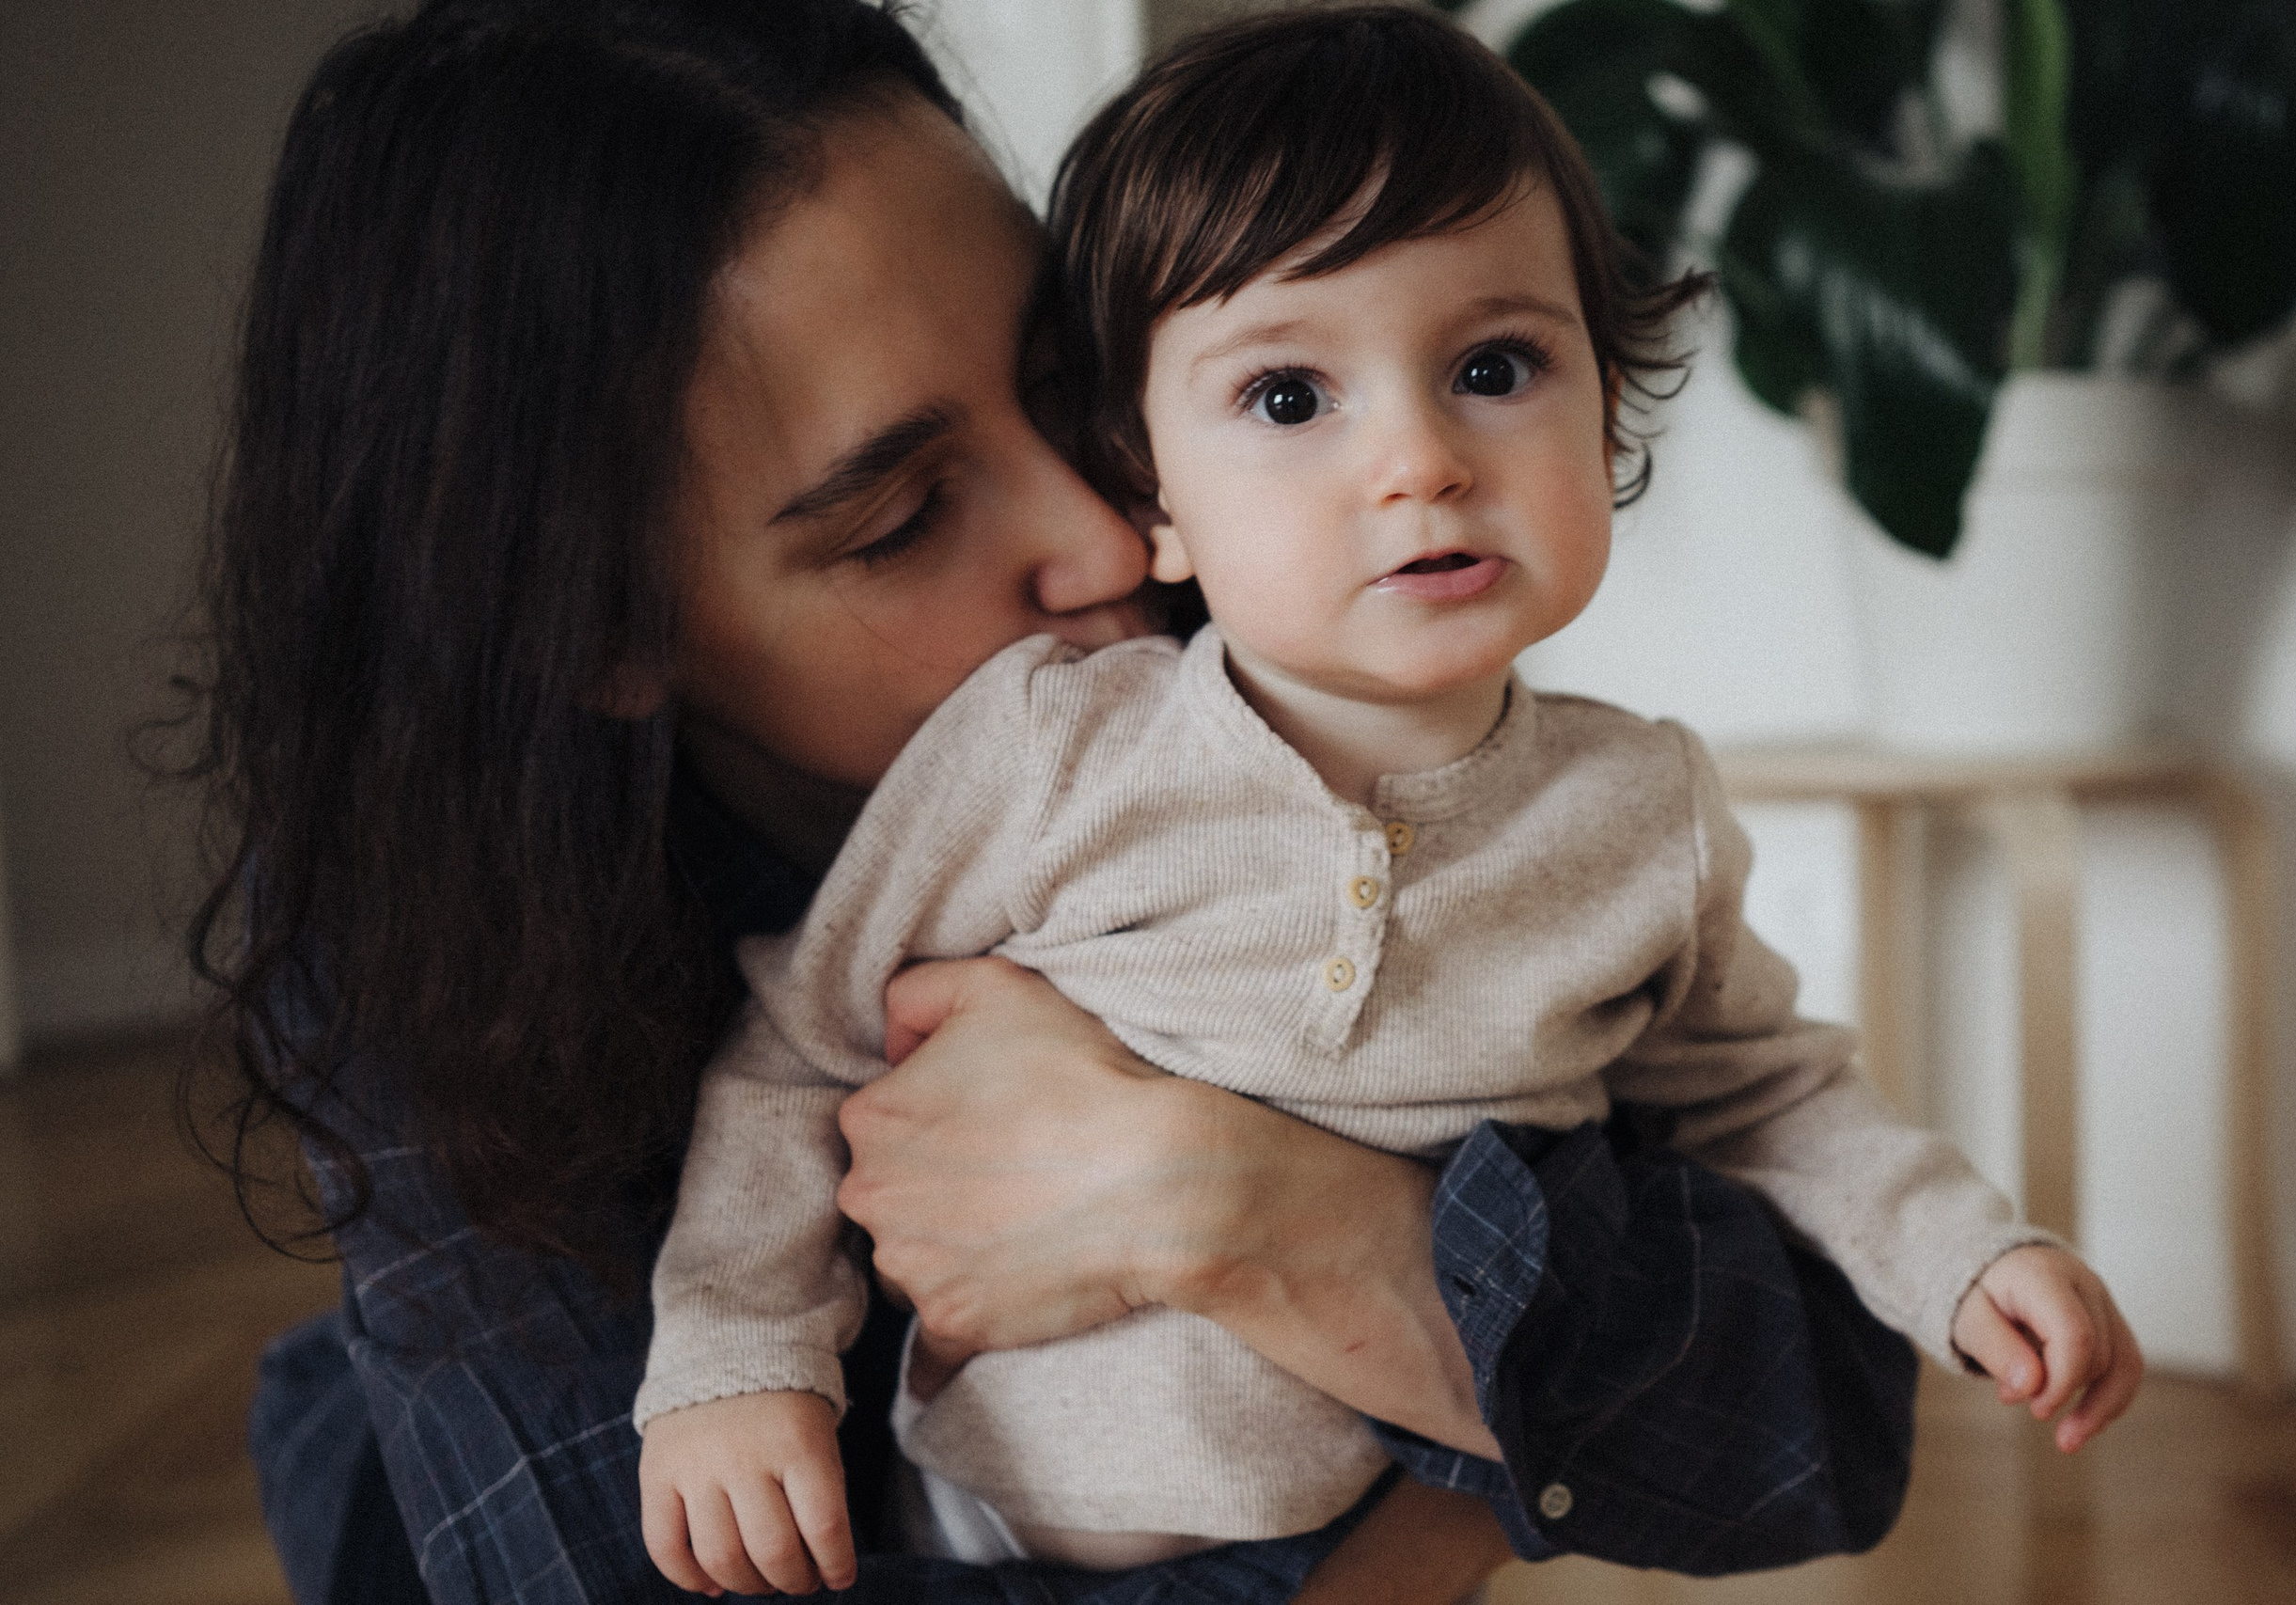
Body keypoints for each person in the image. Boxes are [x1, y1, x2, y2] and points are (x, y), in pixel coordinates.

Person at [193, 2, 1938, 1600]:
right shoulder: (432, 946)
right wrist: (1427, 1503)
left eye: (1071, 391)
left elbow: (1812, 1425)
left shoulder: (1305, 702)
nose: (1112, 540)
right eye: (898, 518)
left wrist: (1260, 1211)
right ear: (597, 625)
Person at [632, 4, 2147, 1590]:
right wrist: (739, 1359)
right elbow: (799, 1049)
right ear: (1153, 494)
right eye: (1290, 399)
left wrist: (1968, 1252)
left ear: (1606, 408)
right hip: (987, 1531)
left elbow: (1760, 1096)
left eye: (1494, 367)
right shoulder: (1050, 747)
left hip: (1380, 1528)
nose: (1420, 459)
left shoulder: (1643, 811)